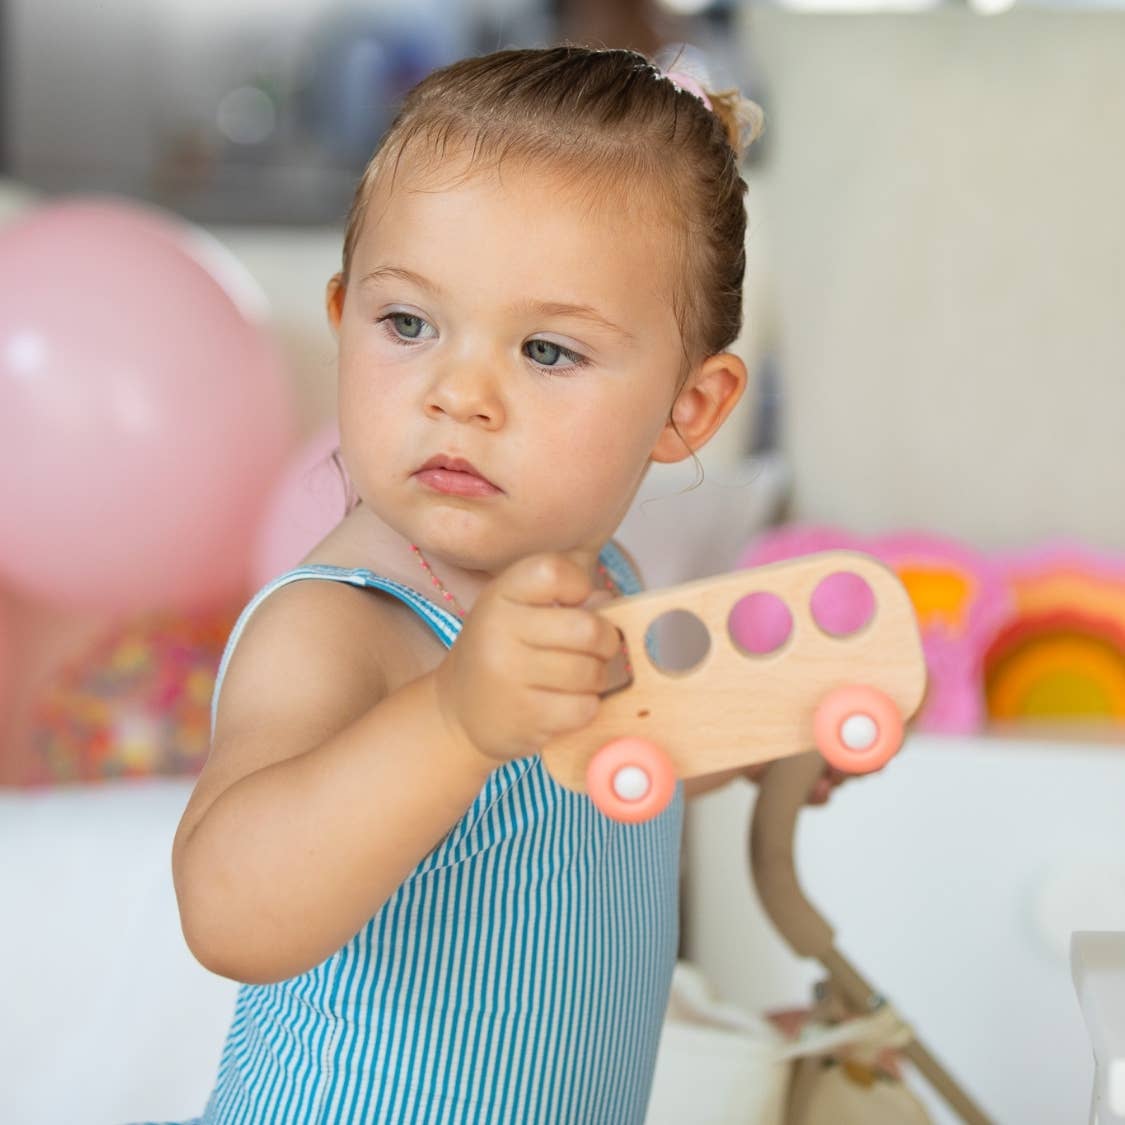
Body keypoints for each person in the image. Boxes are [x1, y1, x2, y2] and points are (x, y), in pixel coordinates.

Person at [166, 45, 767, 1125]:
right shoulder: (343, 627)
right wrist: (452, 721)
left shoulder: (603, 582)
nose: (460, 395)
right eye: (409, 325)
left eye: (545, 350)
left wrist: (765, 735)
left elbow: (585, 783)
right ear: (346, 318)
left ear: (689, 409)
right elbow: (230, 912)